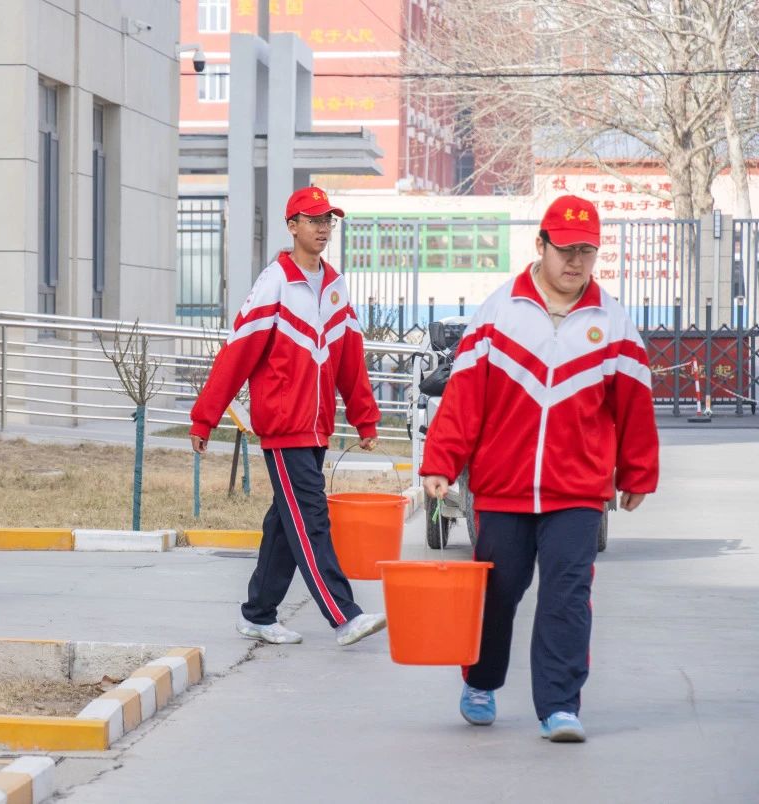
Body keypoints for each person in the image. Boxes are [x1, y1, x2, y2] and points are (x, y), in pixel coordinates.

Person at [419, 195, 659, 742]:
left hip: (577, 489)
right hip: (502, 486)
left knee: (567, 594)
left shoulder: (612, 321)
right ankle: (481, 682)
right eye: (565, 249)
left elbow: (634, 402)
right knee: (498, 592)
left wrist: (637, 471)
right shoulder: (499, 312)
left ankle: (560, 706)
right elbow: (463, 398)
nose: (575, 261)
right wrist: (441, 462)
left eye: (586, 251)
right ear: (541, 246)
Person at [189, 186, 388, 648]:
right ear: (292, 226)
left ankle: (258, 614)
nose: (323, 229)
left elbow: (350, 357)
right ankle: (344, 615)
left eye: (328, 221)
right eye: (313, 220)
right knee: (311, 517)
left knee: (285, 522)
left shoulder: (334, 286)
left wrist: (365, 418)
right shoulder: (274, 282)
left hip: (316, 426)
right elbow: (237, 353)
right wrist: (204, 418)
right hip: (284, 427)